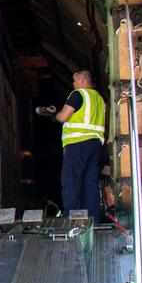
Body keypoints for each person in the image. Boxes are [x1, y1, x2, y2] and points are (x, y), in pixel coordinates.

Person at [36, 69, 106, 220]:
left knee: (71, 181)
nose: (73, 84)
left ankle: (72, 219)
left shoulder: (78, 94)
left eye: (75, 81)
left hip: (77, 144)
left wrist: (54, 116)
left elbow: (63, 117)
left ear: (82, 80)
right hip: (95, 144)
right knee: (90, 183)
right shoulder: (99, 98)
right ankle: (93, 220)